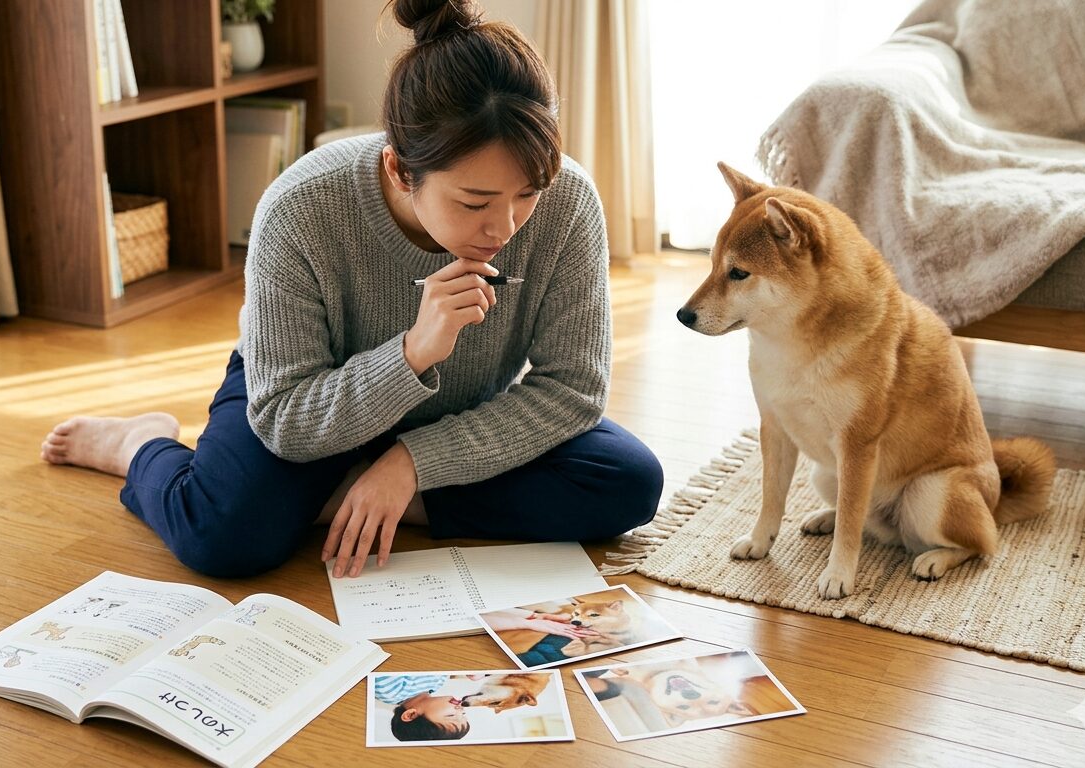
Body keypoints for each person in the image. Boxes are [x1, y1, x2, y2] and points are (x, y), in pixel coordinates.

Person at [40, 0, 663, 579]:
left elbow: (572, 390)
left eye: (527, 194)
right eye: (475, 202)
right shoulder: (301, 209)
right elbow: (283, 414)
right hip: (313, 397)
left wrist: (410, 463)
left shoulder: (569, 201)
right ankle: (138, 445)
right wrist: (414, 352)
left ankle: (352, 495)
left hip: (460, 413)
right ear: (400, 168)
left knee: (627, 482)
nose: (505, 227)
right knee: (221, 537)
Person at [374, 673, 472, 741]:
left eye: (451, 715)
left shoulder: (389, 691)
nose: (461, 709)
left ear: (411, 714)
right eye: (463, 714)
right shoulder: (438, 684)